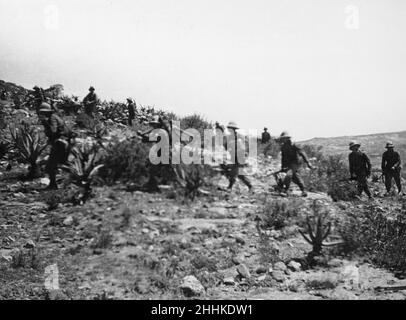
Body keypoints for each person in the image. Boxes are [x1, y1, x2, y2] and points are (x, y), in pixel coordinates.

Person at [38, 102, 70, 190]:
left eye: (43, 112)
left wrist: (45, 123)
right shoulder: (55, 116)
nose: (41, 114)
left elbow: (53, 131)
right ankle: (55, 184)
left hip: (60, 143)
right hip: (63, 143)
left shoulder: (52, 118)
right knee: (59, 164)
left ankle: (54, 185)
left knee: (51, 165)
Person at [278, 131, 313, 197]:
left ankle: (285, 190)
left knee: (289, 174)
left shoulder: (294, 145)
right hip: (289, 163)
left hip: (296, 162)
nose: (284, 139)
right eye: (283, 138)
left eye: (285, 138)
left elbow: (303, 153)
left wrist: (308, 163)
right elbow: (283, 157)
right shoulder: (283, 147)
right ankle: (304, 190)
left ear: (288, 138)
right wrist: (283, 167)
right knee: (295, 177)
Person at [223, 121, 253, 192]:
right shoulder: (229, 137)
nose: (230, 129)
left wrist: (245, 154)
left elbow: (245, 147)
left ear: (234, 129)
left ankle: (230, 187)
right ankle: (250, 186)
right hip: (233, 157)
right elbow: (225, 146)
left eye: (231, 128)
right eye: (229, 128)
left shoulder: (240, 137)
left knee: (234, 172)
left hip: (239, 157)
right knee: (240, 174)